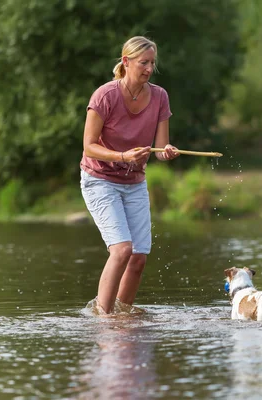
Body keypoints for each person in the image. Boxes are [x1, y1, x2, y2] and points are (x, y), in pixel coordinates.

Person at [80, 36, 179, 314]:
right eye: (143, 63)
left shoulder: (160, 96)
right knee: (122, 250)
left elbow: (159, 149)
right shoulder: (105, 95)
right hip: (99, 180)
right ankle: (104, 318)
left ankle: (122, 318)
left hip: (134, 183)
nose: (148, 69)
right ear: (126, 62)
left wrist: (167, 151)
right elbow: (89, 145)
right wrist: (123, 156)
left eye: (152, 63)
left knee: (138, 258)